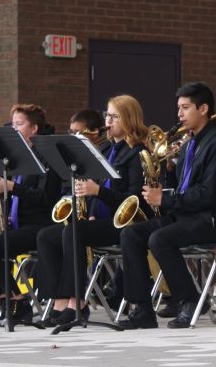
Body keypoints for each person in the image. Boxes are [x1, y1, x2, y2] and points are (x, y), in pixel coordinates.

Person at [117, 82, 216, 329]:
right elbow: (182, 187)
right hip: (187, 216)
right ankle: (141, 309)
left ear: (203, 109)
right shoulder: (190, 144)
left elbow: (208, 195)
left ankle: (190, 300)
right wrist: (170, 169)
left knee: (160, 239)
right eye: (178, 108)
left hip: (212, 220)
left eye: (185, 108)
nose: (179, 114)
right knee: (130, 233)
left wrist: (165, 199)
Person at [36, 96, 151, 327]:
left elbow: (135, 200)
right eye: (107, 115)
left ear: (128, 119)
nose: (107, 120)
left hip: (123, 224)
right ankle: (58, 300)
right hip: (100, 219)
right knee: (46, 236)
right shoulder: (105, 148)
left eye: (113, 116)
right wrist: (88, 205)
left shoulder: (136, 153)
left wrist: (98, 192)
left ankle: (76, 302)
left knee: (73, 232)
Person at [0, 104, 62, 323]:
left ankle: (19, 301)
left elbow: (46, 198)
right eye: (12, 124)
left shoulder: (46, 157)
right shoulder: (14, 157)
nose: (13, 129)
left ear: (34, 128)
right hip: (17, 223)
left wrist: (12, 188)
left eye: (19, 124)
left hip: (38, 225)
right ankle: (5, 298)